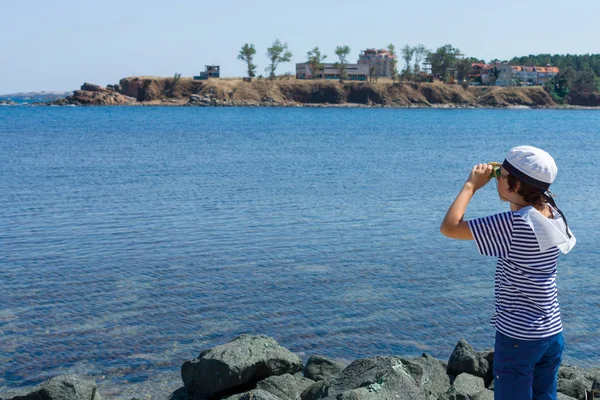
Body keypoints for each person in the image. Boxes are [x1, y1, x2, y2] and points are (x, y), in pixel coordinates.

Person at [439, 145, 576, 400]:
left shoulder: (511, 226)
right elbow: (523, 202)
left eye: (501, 174)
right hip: (551, 331)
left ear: (515, 185)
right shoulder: (552, 213)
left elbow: (450, 227)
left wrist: (472, 185)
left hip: (518, 338)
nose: (497, 177)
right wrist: (505, 179)